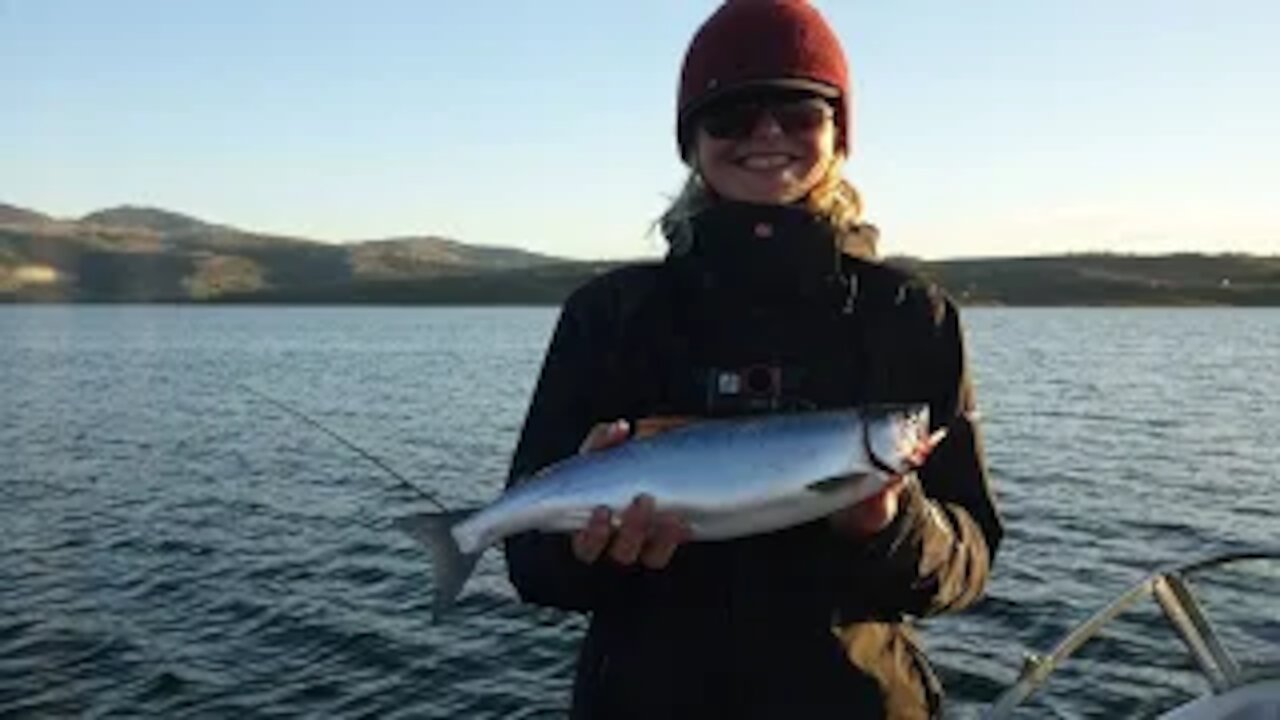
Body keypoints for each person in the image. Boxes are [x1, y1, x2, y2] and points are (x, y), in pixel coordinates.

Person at [504, 1, 1001, 718]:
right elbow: (533, 566)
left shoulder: (913, 317)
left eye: (800, 111)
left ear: (837, 134)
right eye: (732, 114)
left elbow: (969, 562)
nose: (767, 134)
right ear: (692, 140)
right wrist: (586, 549)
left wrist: (891, 529)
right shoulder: (607, 315)